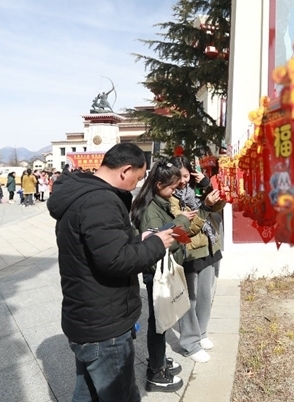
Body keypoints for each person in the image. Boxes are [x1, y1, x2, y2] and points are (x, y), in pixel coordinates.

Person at [48, 143, 176, 402]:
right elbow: (116, 260)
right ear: (125, 170)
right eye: (138, 178)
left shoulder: (84, 193)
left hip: (87, 316)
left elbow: (104, 247)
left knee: (87, 393)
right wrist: (156, 244)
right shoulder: (100, 201)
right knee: (121, 395)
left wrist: (139, 239)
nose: (137, 184)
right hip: (104, 324)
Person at [129, 160, 196, 392]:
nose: (176, 191)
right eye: (173, 187)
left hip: (159, 271)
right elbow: (161, 245)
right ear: (159, 185)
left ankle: (158, 359)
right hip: (156, 273)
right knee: (159, 323)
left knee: (162, 321)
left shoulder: (158, 203)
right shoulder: (151, 211)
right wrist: (182, 221)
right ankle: (156, 372)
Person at [169, 156, 225, 362]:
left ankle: (201, 333)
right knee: (188, 301)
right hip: (189, 252)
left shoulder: (196, 189)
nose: (183, 181)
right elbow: (185, 229)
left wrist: (207, 185)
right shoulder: (171, 198)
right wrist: (205, 207)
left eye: (186, 176)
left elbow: (219, 205)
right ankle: (189, 343)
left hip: (208, 248)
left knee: (204, 296)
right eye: (178, 177)